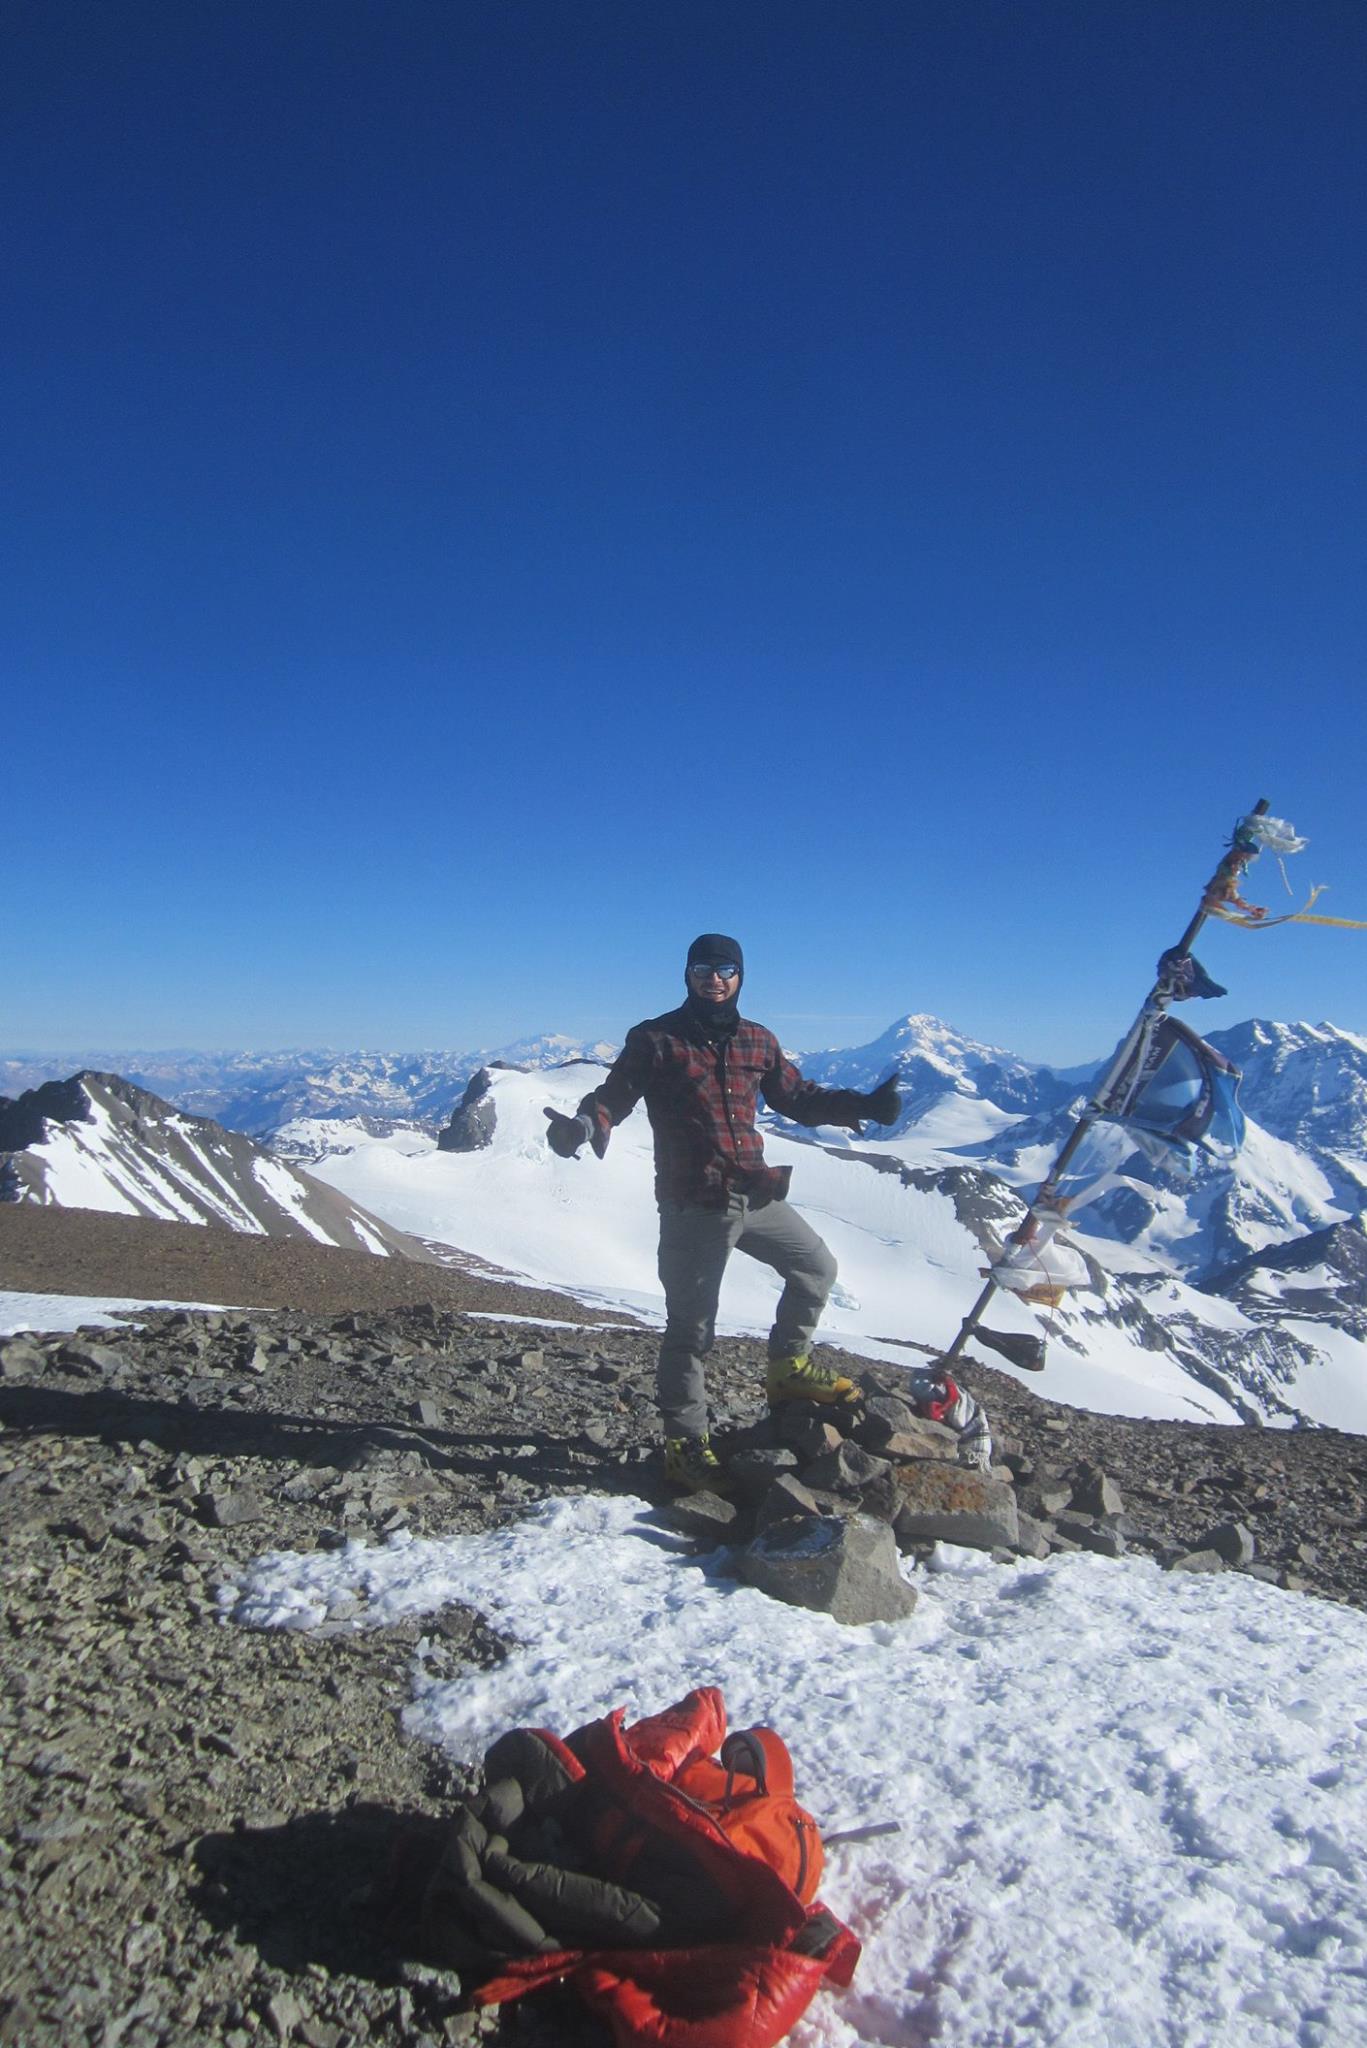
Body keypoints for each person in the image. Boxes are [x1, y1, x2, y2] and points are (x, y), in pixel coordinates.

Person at [544, 933, 900, 1491]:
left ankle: (789, 1370)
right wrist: (585, 1125)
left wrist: (863, 1106)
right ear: (687, 975)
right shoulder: (655, 1039)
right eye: (704, 968)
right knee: (691, 1328)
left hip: (754, 1192)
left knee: (816, 1268)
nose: (715, 978)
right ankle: (685, 1444)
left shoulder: (758, 1040)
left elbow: (797, 1097)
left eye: (726, 969)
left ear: (740, 976)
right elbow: (616, 1094)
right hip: (694, 1201)